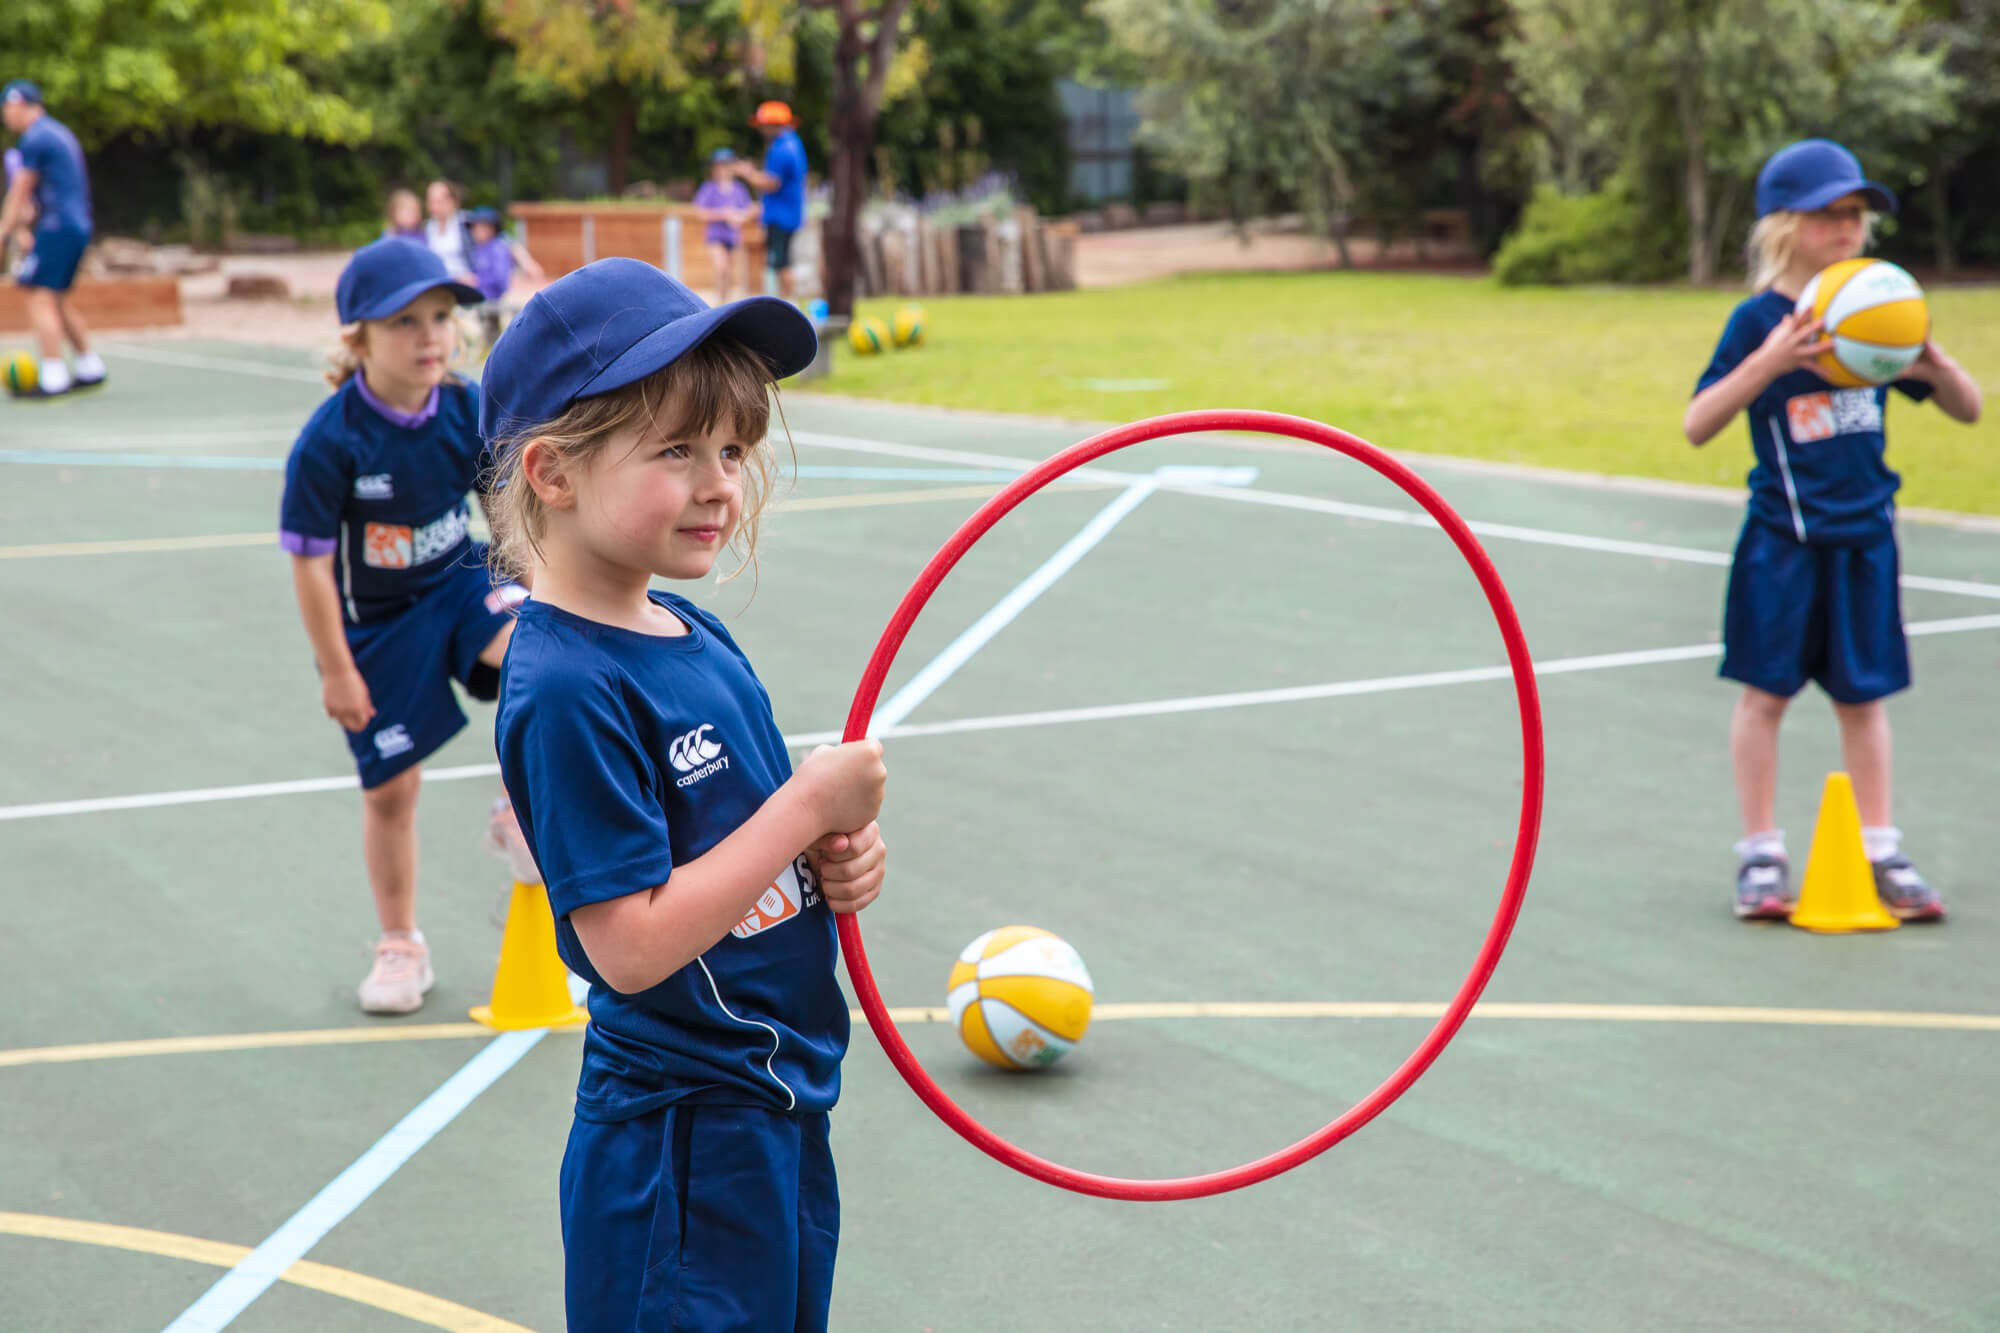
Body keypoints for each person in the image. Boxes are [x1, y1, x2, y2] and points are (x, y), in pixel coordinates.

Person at [479, 257, 887, 1331]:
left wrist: (832, 857)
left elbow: (750, 846)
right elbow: (629, 945)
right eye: (676, 450)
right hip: (681, 1139)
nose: (719, 484)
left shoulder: (693, 633)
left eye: (732, 450)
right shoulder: (566, 686)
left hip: (773, 1106)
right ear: (553, 474)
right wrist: (805, 808)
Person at [1683, 138, 1982, 923]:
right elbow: (1697, 423)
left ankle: (1880, 848)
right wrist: (1770, 362)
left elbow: (1969, 409)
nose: (1848, 228)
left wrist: (1935, 364)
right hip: (1782, 542)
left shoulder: (1876, 315)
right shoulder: (1760, 321)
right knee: (1765, 696)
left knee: (1864, 698)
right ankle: (1760, 851)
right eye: (1830, 215)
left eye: (1857, 215)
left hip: (1865, 541)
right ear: (1785, 225)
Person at [279, 239, 528, 1013]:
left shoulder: (465, 405)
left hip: (460, 582)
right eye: (405, 322)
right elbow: (311, 566)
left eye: (442, 317)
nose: (431, 337)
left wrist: (534, 586)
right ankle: (400, 945)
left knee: (536, 655)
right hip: (381, 624)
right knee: (392, 791)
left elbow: (501, 508)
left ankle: (518, 805)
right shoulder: (331, 440)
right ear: (358, 338)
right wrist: (336, 669)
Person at [0, 80, 105, 397]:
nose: (5, 116)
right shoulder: (57, 132)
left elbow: (21, 190)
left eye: (6, 109)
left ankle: (53, 376)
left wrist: (3, 231)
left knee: (38, 295)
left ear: (19, 105)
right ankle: (89, 366)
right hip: (76, 225)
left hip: (58, 226)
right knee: (56, 297)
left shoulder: (36, 138)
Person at [735, 101, 809, 301]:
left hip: (781, 216)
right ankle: (787, 302)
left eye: (763, 125)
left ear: (774, 125)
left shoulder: (782, 148)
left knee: (781, 262)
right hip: (787, 214)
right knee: (782, 261)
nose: (760, 129)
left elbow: (771, 183)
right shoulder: (792, 143)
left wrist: (748, 173)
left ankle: (788, 304)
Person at [693, 147, 755, 305]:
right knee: (721, 267)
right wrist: (723, 214)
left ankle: (725, 302)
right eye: (720, 165)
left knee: (731, 273)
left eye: (726, 165)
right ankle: (720, 301)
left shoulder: (739, 189)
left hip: (733, 236)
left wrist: (739, 217)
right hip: (715, 236)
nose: (723, 169)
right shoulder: (709, 188)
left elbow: (748, 210)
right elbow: (700, 213)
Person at [423, 178, 478, 284]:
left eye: (440, 201)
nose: (436, 206)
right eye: (432, 201)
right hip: (437, 281)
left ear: (453, 201)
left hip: (466, 281)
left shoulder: (467, 222)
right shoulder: (428, 227)